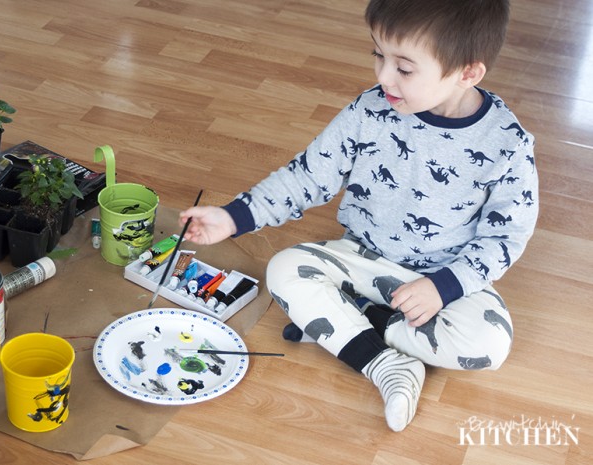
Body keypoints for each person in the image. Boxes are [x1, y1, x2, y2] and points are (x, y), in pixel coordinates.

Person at [179, 0, 538, 432]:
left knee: (490, 344)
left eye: (404, 68)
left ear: (467, 73)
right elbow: (307, 176)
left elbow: (505, 239)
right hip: (362, 258)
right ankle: (383, 364)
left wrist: (443, 288)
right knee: (283, 269)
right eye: (378, 55)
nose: (383, 77)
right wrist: (234, 218)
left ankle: (352, 321)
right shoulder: (371, 110)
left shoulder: (508, 145)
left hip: (445, 279)